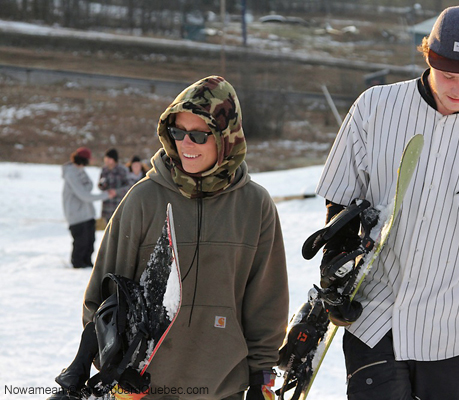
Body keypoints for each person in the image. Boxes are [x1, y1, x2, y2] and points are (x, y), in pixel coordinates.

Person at [315, 6, 459, 400]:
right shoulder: (376, 107)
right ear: (429, 58)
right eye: (449, 75)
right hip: (374, 313)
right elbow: (340, 199)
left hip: (456, 323)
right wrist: (335, 270)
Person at [49, 76, 288, 400]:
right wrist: (115, 364)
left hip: (223, 389)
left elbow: (267, 304)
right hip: (143, 391)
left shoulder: (255, 206)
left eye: (198, 135)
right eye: (177, 133)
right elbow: (101, 301)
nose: (185, 144)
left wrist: (261, 377)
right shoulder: (143, 200)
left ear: (226, 137)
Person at [61, 147, 115, 269]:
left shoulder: (80, 170)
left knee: (90, 242)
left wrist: (86, 189)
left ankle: (87, 265)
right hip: (76, 215)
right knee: (81, 243)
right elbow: (84, 195)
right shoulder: (71, 174)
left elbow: (89, 186)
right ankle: (77, 268)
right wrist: (106, 195)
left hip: (87, 214)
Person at [98, 148, 130, 222]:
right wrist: (102, 186)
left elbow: (129, 187)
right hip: (107, 207)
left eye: (109, 158)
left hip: (119, 206)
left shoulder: (123, 170)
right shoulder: (104, 170)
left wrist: (116, 192)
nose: (106, 160)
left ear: (114, 159)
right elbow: (100, 185)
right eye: (106, 158)